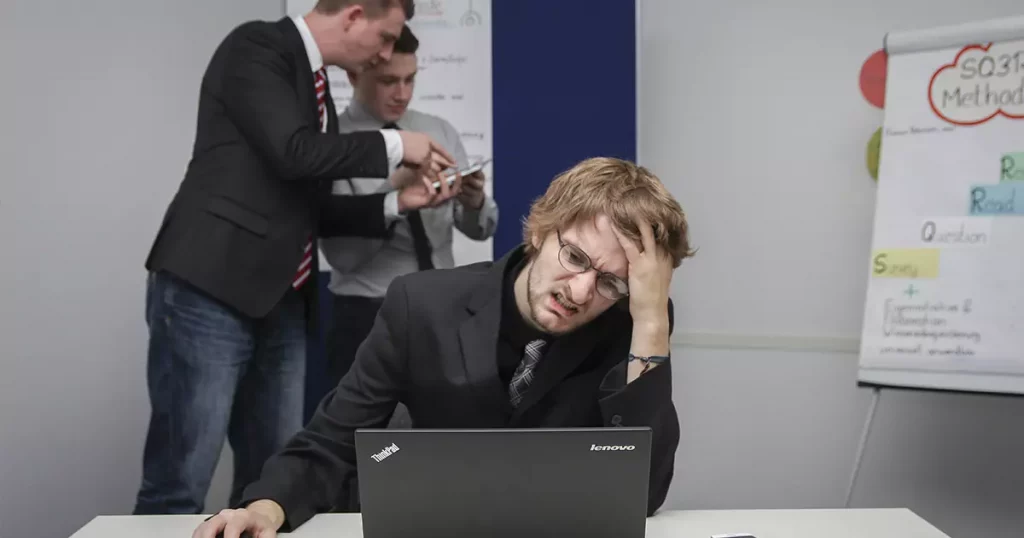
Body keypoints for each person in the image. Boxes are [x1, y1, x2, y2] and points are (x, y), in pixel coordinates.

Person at [193, 157, 695, 538]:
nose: (582, 292)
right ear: (542, 229)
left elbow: (643, 494)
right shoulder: (422, 305)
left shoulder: (631, 324)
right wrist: (266, 506)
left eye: (612, 282)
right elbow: (334, 438)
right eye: (575, 257)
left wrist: (651, 319)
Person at [135, 0, 463, 515]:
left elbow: (310, 206)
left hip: (283, 302)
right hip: (210, 291)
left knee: (271, 481)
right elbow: (293, 153)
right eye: (384, 38)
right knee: (181, 479)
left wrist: (399, 201)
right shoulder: (257, 47)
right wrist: (398, 145)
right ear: (354, 15)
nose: (383, 56)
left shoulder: (316, 93)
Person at [319, 24, 499, 393]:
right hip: (365, 312)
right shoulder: (332, 144)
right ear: (354, 74)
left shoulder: (438, 131)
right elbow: (345, 258)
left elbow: (482, 229)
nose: (402, 93)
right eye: (388, 81)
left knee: (446, 433)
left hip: (445, 306)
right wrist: (395, 191)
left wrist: (473, 200)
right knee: (359, 439)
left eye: (410, 79)